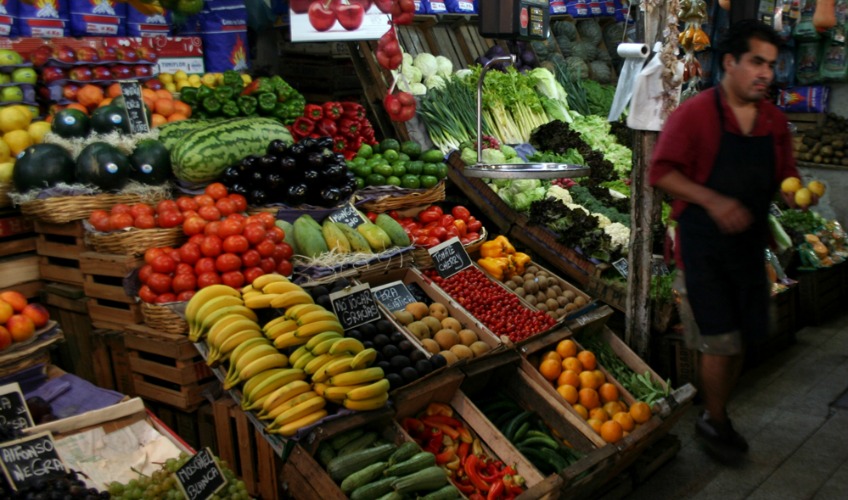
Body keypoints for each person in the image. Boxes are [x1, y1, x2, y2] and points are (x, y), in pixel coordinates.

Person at [649, 20, 803, 458]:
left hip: (749, 248)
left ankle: (714, 411)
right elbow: (660, 173)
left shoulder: (773, 120)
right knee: (721, 340)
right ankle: (715, 421)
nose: (765, 74)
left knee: (742, 339)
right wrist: (714, 202)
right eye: (756, 62)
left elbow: (786, 173)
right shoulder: (695, 115)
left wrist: (794, 192)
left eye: (771, 66)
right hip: (703, 249)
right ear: (730, 63)